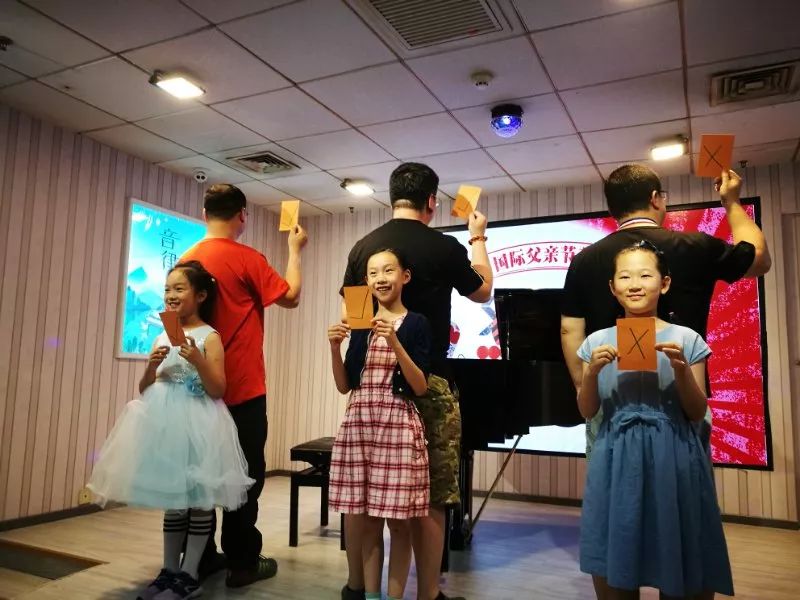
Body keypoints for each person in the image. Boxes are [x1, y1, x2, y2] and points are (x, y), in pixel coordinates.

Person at [340, 162, 493, 600]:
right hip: (431, 382)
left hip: (372, 388)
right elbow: (482, 290)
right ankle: (427, 594)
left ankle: (357, 587)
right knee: (433, 491)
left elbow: (355, 318)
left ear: (392, 197)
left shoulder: (363, 249)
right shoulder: (443, 246)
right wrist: (477, 237)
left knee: (362, 490)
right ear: (431, 201)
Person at [561, 166, 771, 459]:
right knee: (679, 479)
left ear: (612, 208)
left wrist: (584, 386)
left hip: (610, 400)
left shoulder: (583, 260)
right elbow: (758, 260)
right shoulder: (696, 246)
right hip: (681, 398)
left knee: (614, 481)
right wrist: (731, 202)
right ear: (655, 198)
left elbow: (570, 328)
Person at [88, 261, 254, 600]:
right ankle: (169, 570)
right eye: (167, 289)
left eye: (179, 289)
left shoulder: (210, 336)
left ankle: (190, 574)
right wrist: (151, 367)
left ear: (201, 295)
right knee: (175, 501)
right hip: (166, 424)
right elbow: (145, 388)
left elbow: (218, 389)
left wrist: (198, 360)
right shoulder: (162, 333)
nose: (170, 295)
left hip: (201, 422)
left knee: (200, 500)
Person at [577, 241, 734, 599]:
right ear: (612, 287)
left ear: (664, 284)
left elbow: (696, 411)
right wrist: (592, 372)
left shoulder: (686, 339)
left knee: (680, 556)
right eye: (625, 277)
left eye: (645, 275)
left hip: (674, 455)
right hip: (615, 457)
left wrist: (681, 371)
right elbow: (587, 410)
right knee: (616, 558)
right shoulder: (597, 341)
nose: (635, 284)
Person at [181, 184, 308, 588]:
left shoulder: (186, 259)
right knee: (244, 476)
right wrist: (294, 250)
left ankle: (198, 560)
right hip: (241, 388)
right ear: (242, 216)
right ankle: (241, 564)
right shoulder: (248, 258)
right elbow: (290, 296)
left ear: (205, 213)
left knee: (198, 476)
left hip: (195, 389)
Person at [328, 248, 432, 600]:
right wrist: (334, 348)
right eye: (373, 273)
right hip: (360, 423)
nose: (380, 279)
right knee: (369, 520)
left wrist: (394, 341)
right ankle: (371, 595)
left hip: (397, 424)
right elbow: (344, 385)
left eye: (388, 271)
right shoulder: (361, 323)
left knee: (400, 524)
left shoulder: (417, 323)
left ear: (405, 276)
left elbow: (420, 386)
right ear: (366, 282)